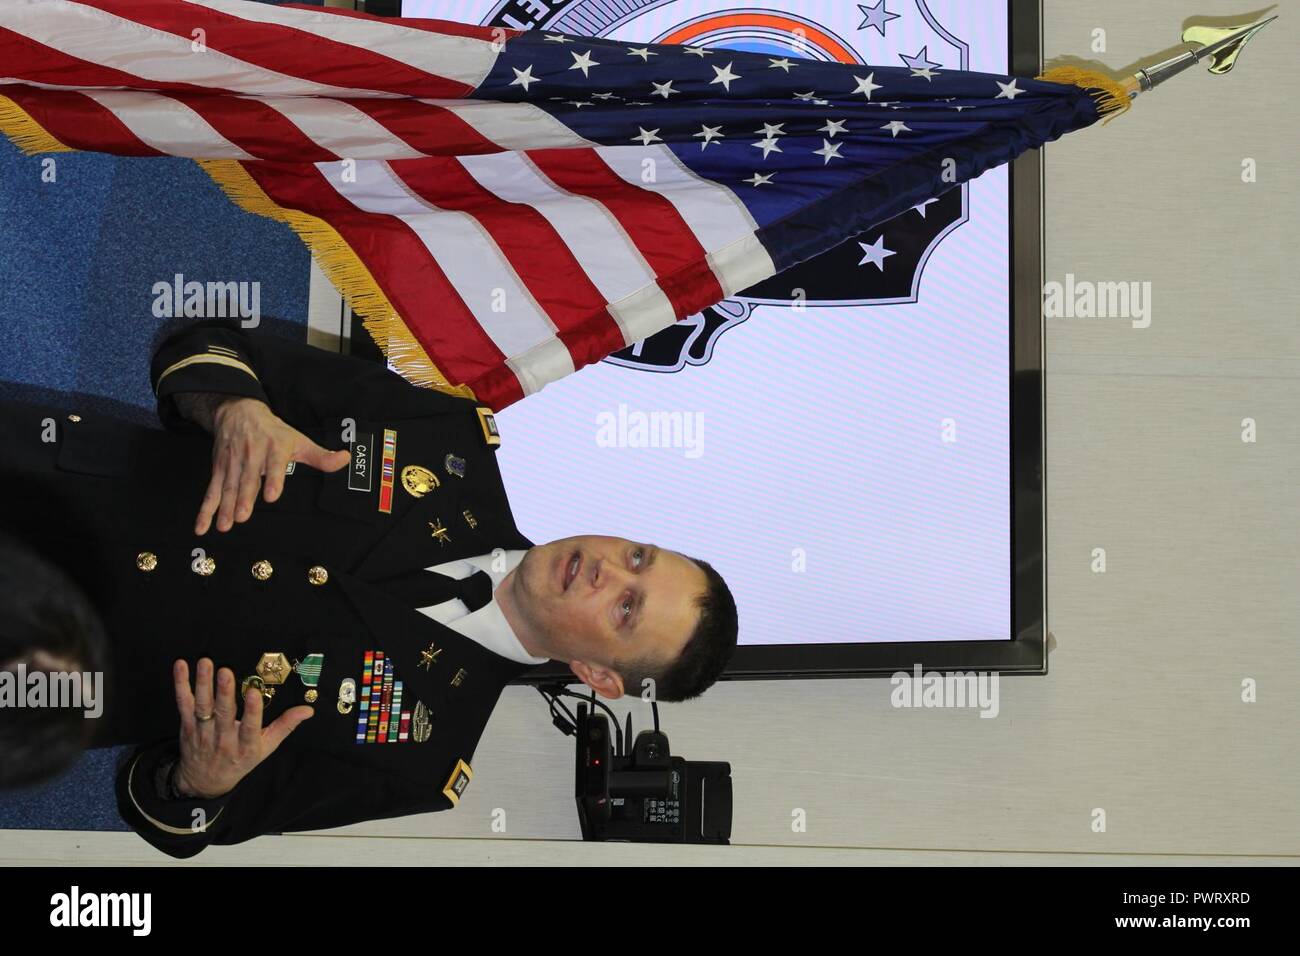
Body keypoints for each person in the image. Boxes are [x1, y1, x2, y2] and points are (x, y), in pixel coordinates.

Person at [0, 319, 737, 857]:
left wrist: (201, 783)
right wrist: (235, 408)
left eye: (626, 606)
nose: (609, 569)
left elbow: (172, 817)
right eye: (638, 556)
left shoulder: (421, 756)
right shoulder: (449, 442)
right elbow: (206, 345)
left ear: (599, 676)